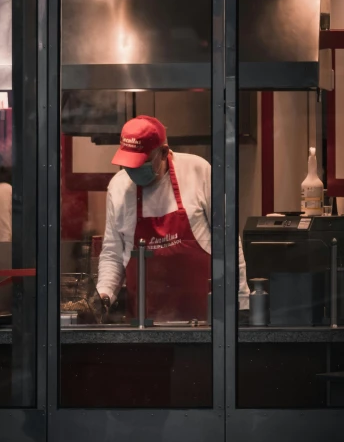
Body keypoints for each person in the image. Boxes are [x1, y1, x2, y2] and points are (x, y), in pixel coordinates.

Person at [97, 115, 250, 322]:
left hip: (204, 321)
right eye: (128, 164)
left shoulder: (198, 171)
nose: (133, 170)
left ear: (164, 152)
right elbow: (112, 254)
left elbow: (228, 242)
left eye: (141, 162)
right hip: (144, 322)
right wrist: (103, 295)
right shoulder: (119, 187)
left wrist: (241, 302)